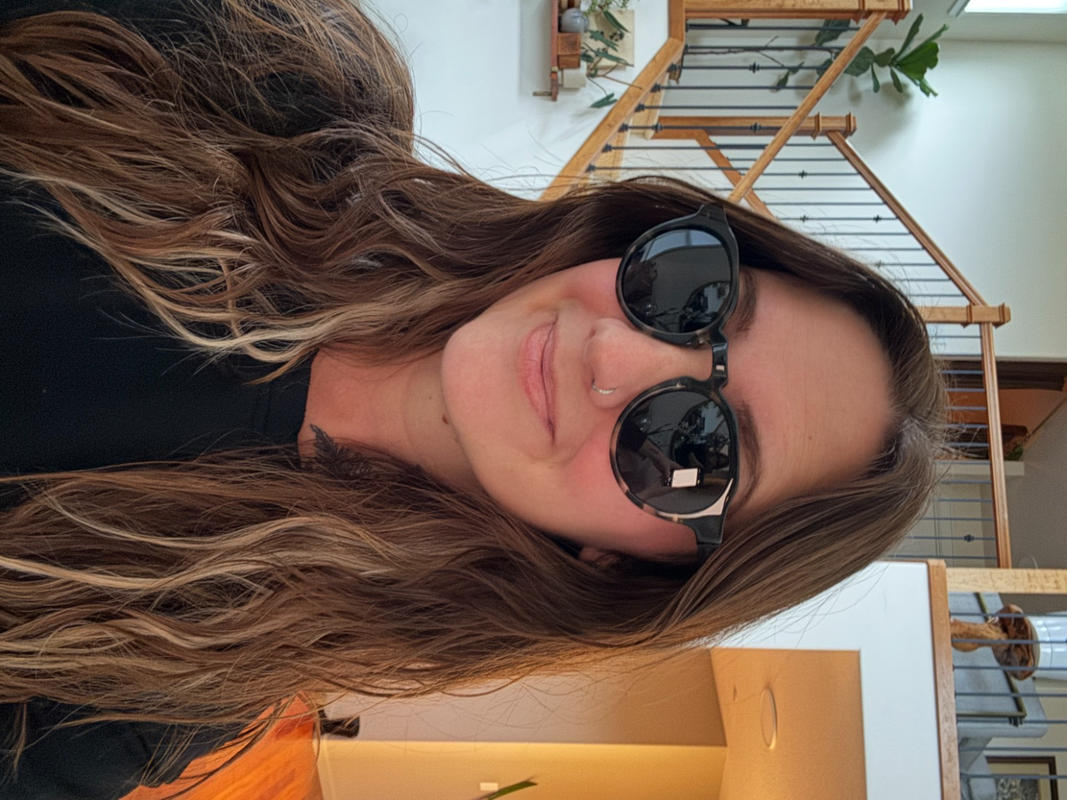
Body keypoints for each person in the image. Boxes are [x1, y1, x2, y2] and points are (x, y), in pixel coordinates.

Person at [0, 0, 946, 797]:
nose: (612, 351)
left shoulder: (157, 674)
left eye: (695, 444)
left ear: (630, 569)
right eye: (693, 291)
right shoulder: (288, 87)